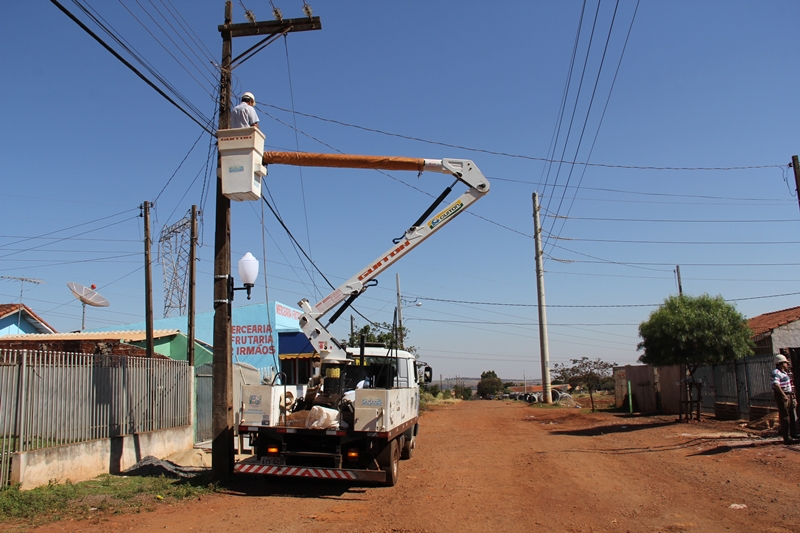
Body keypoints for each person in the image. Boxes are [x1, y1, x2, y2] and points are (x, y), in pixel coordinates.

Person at [772, 353, 799, 444]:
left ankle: (793, 434)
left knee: (791, 414)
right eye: (785, 363)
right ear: (781, 363)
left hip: (789, 394)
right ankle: (787, 438)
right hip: (783, 395)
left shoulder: (784, 373)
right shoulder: (776, 373)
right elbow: (776, 384)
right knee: (785, 416)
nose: (787, 364)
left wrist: (792, 394)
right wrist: (783, 395)